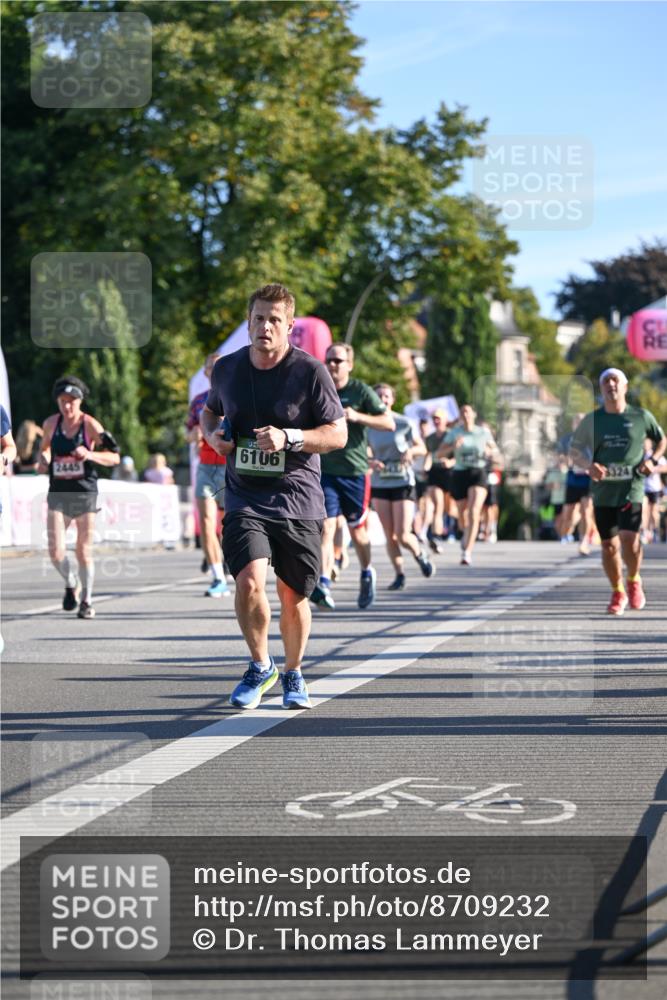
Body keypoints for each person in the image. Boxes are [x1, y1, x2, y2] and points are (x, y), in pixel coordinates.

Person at [200, 282, 346, 710]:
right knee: (248, 581)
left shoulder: (310, 372)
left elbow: (337, 433)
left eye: (274, 320)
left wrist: (290, 437)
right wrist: (214, 435)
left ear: (289, 326)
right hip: (245, 495)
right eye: (258, 318)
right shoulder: (227, 369)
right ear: (249, 323)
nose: (265, 326)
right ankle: (260, 663)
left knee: (292, 595)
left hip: (298, 498)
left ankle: (294, 672)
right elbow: (211, 411)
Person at [570, 368, 666, 615]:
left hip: (631, 487)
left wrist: (652, 460)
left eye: (615, 380)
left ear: (625, 386)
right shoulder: (593, 420)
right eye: (605, 381)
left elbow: (662, 440)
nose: (610, 384)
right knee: (609, 547)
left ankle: (634, 580)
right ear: (601, 389)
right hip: (603, 492)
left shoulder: (641, 416)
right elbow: (575, 451)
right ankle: (617, 590)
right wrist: (588, 466)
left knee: (629, 539)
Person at [311, 342, 395, 611]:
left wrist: (357, 416)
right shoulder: (319, 388)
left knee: (358, 533)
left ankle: (367, 571)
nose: (332, 365)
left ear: (350, 364)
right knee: (326, 527)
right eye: (329, 360)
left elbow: (388, 422)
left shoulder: (360, 391)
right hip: (325, 471)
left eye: (338, 360)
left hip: (355, 472)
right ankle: (324, 582)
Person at [38, 376, 120, 618]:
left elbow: (115, 456)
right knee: (55, 551)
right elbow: (44, 447)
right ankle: (71, 581)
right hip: (58, 492)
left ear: (80, 401)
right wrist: (44, 457)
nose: (67, 406)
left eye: (72, 401)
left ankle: (86, 600)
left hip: (84, 492)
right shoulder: (51, 424)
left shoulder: (90, 425)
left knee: (83, 550)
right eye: (63, 401)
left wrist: (90, 455)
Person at [367, 383, 434, 589]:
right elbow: (365, 452)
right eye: (379, 396)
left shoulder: (404, 423)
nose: (383, 399)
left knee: (403, 534)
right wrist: (371, 462)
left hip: (403, 481)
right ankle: (399, 574)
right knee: (390, 535)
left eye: (387, 396)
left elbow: (422, 448)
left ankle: (420, 555)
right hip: (380, 482)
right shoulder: (369, 425)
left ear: (392, 400)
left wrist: (411, 452)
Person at [186, 352, 230, 597]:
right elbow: (188, 432)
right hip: (206, 466)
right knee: (205, 522)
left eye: (219, 367)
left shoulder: (237, 397)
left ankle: (231, 563)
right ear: (205, 373)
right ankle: (217, 576)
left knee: (228, 525)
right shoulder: (199, 401)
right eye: (211, 368)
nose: (215, 371)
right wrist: (195, 435)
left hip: (229, 468)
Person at [437, 404, 498, 565]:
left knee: (474, 510)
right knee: (462, 513)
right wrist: (452, 447)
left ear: (474, 415)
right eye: (463, 412)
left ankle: (467, 551)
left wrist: (489, 452)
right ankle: (466, 534)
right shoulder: (455, 433)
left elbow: (495, 451)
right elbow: (439, 453)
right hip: (460, 473)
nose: (466, 415)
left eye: (468, 412)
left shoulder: (483, 433)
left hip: (478, 473)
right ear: (460, 416)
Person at [560, 414, 596, 555]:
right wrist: (564, 461)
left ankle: (584, 541)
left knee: (586, 511)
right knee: (568, 513)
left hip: (588, 479)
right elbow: (562, 455)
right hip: (573, 479)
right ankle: (566, 532)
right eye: (577, 421)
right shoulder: (568, 439)